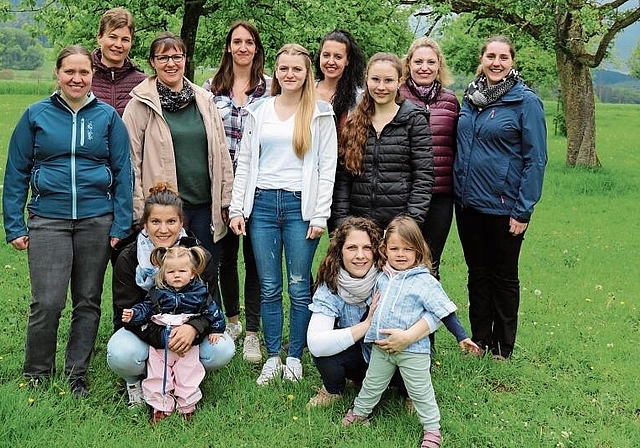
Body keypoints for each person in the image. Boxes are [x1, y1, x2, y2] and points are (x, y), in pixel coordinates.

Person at [2, 45, 133, 398]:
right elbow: (16, 172)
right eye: (69, 72)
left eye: (84, 72)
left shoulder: (107, 117)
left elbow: (124, 173)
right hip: (49, 219)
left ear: (92, 75)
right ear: (58, 74)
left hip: (96, 220)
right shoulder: (35, 115)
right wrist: (14, 223)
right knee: (47, 301)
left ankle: (77, 375)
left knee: (88, 300)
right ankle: (37, 373)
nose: (77, 78)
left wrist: (120, 224)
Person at [228, 43, 337, 385]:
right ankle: (272, 355)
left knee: (299, 286)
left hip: (299, 207)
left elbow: (326, 166)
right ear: (275, 72)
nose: (290, 75)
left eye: (297, 69)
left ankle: (295, 356)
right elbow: (244, 161)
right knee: (270, 286)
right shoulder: (259, 110)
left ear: (307, 74)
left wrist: (320, 215)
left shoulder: (319, 113)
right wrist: (237, 208)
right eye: (284, 69)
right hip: (261, 205)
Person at [342, 217, 479, 448]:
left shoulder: (425, 281)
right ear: (385, 249)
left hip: (413, 351)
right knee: (372, 384)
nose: (401, 254)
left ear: (419, 250)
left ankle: (432, 431)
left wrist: (462, 336)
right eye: (394, 248)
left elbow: (444, 311)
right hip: (381, 348)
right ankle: (359, 413)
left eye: (408, 249)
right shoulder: (382, 277)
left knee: (420, 392)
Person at [454, 35, 547, 360]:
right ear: (481, 59)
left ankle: (502, 346)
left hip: (505, 207)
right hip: (467, 205)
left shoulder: (525, 102)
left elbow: (535, 159)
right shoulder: (470, 98)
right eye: (490, 56)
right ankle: (479, 340)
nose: (496, 62)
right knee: (477, 273)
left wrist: (523, 210)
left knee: (503, 275)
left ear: (512, 61)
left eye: (503, 57)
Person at [122, 31, 233, 299]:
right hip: (164, 212)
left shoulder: (204, 101)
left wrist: (226, 200)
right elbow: (130, 163)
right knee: (167, 272)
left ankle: (208, 329)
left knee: (204, 269)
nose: (171, 63)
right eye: (163, 57)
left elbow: (221, 152)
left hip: (203, 206)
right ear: (152, 62)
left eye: (177, 56)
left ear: (185, 59)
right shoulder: (140, 105)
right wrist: (140, 210)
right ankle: (161, 328)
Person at [107, 184, 235, 407]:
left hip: (187, 328)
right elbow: (124, 316)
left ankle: (186, 378)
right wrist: (164, 337)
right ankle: (134, 383)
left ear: (181, 223)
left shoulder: (198, 256)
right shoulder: (128, 258)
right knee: (121, 352)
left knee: (223, 348)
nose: (163, 229)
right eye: (156, 222)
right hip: (147, 330)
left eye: (171, 222)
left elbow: (212, 306)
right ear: (144, 224)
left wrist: (193, 328)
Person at [307, 216, 437, 408]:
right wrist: (366, 325)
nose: (360, 255)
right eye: (352, 248)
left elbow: (438, 312)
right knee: (325, 352)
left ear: (377, 250)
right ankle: (333, 390)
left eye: (367, 248)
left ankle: (411, 394)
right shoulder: (331, 284)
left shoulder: (394, 275)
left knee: (413, 353)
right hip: (359, 357)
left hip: (395, 350)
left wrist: (408, 337)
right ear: (339, 252)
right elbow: (316, 344)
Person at [203, 21, 270, 363]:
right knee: (225, 258)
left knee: (256, 260)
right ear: (228, 47)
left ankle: (255, 333)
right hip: (222, 186)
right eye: (236, 42)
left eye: (249, 42)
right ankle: (232, 320)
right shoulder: (210, 89)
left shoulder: (271, 89)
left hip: (260, 186)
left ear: (256, 48)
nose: (242, 47)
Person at [330, 52, 434, 232]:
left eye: (388, 81)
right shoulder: (354, 122)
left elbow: (423, 177)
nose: (381, 87)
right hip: (358, 226)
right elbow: (343, 180)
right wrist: (343, 223)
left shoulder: (414, 120)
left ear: (399, 81)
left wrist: (409, 224)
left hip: (399, 226)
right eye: (375, 79)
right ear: (366, 79)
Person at [122, 245, 225, 422]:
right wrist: (134, 314)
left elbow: (213, 311)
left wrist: (217, 329)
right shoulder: (158, 293)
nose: (176, 275)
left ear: (192, 273)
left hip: (187, 344)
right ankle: (160, 407)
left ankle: (187, 406)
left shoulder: (200, 293)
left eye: (182, 271)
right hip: (160, 343)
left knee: (188, 373)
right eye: (171, 272)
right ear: (163, 274)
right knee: (157, 374)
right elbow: (145, 309)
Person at [400, 37, 459, 280]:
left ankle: (428, 317)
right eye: (418, 61)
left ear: (439, 66)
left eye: (430, 62)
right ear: (409, 64)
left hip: (440, 194)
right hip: (404, 191)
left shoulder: (451, 101)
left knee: (431, 261)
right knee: (402, 256)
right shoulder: (396, 95)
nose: (424, 67)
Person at [91, 7, 147, 116]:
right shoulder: (83, 79)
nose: (118, 45)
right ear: (99, 37)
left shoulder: (143, 84)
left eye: (125, 39)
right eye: (113, 37)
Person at [314, 29, 365, 137]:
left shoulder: (359, 98)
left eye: (338, 57)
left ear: (347, 60)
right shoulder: (305, 91)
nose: (331, 62)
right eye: (326, 55)